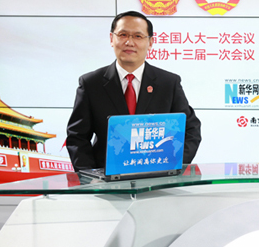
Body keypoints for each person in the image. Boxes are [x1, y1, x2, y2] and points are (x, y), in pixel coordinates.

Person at [66, 11, 201, 171]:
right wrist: (90, 176)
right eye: (123, 35)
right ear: (111, 39)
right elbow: (77, 137)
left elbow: (191, 130)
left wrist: (171, 165)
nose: (129, 42)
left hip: (156, 177)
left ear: (150, 42)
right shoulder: (91, 84)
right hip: (106, 179)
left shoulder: (168, 83)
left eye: (138, 36)